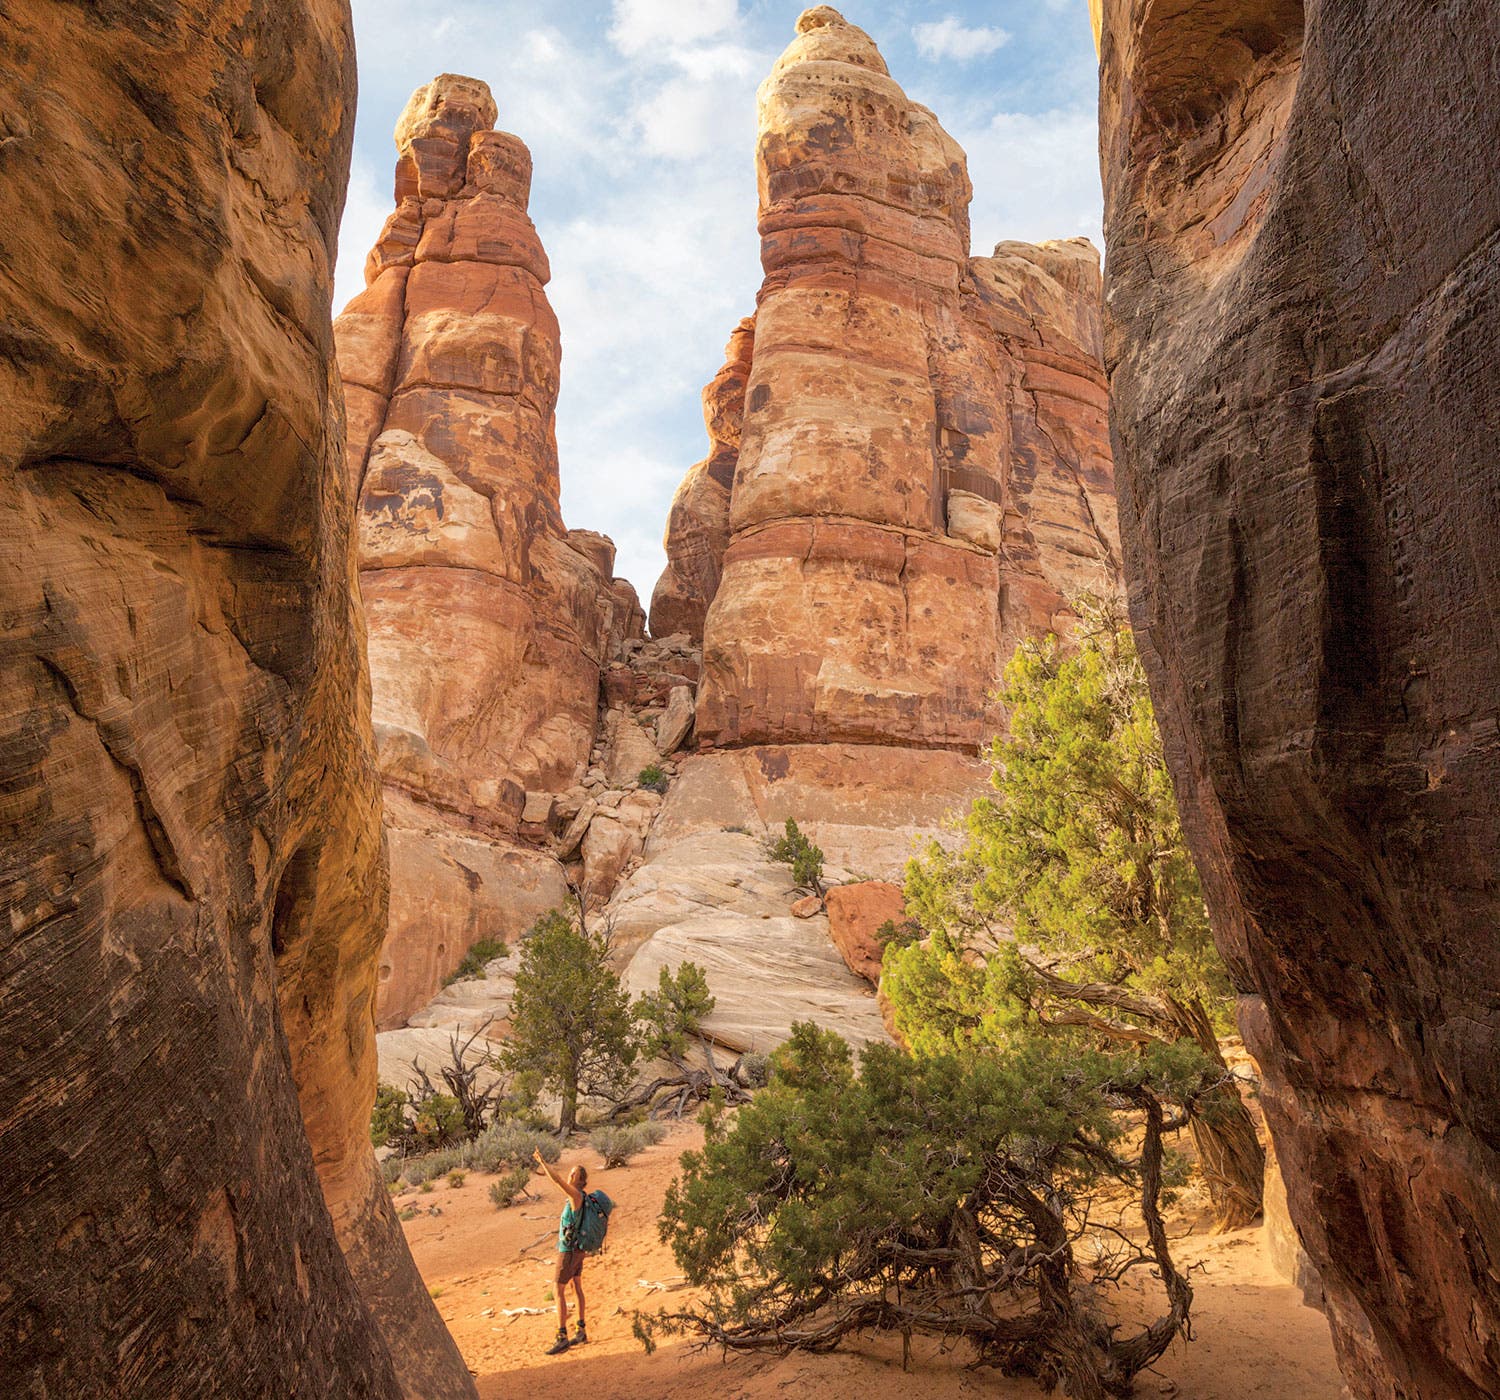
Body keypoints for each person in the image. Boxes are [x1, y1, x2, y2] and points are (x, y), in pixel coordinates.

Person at [534, 1148, 589, 1355]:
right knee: (576, 1287)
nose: (569, 1175)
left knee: (557, 1290)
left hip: (569, 1251)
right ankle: (581, 1330)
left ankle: (562, 1336)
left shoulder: (575, 1195)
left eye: (573, 1173)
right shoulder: (579, 1196)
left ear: (578, 1179)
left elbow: (556, 1180)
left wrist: (542, 1161)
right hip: (578, 1250)